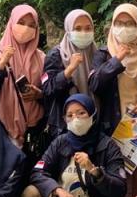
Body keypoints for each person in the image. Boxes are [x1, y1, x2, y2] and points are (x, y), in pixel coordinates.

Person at [23, 94, 126, 197]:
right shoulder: (60, 142)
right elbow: (38, 172)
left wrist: (95, 172)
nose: (75, 119)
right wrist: (57, 190)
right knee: (30, 193)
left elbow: (120, 189)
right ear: (64, 119)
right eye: (70, 115)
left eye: (81, 113)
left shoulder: (108, 145)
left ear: (93, 114)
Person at [89, 4, 137, 139]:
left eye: (130, 24)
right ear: (112, 26)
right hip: (112, 123)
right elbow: (95, 85)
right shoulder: (104, 53)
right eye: (119, 23)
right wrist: (117, 60)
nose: (124, 28)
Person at [0, 4, 47, 152]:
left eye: (31, 25)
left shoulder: (42, 59)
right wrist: (2, 64)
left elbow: (50, 91)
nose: (26, 28)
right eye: (21, 23)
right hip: (3, 130)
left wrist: (39, 94)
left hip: (35, 129)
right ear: (11, 24)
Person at [41, 10, 98, 141]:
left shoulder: (97, 53)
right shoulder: (56, 55)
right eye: (77, 28)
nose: (83, 32)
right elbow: (47, 89)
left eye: (88, 28)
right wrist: (69, 70)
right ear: (68, 30)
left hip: (94, 122)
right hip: (65, 127)